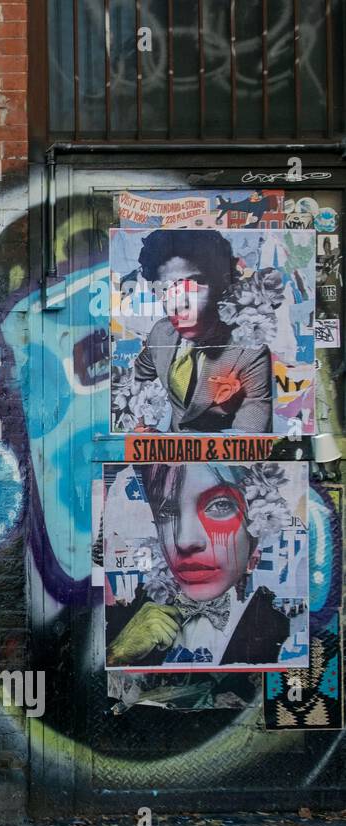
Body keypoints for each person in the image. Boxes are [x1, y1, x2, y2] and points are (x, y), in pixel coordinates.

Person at [105, 463, 291, 668]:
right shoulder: (133, 610)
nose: (184, 540)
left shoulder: (286, 627)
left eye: (220, 505)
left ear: (257, 523)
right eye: (166, 512)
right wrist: (117, 654)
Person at [127, 229, 272, 433]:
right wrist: (139, 424)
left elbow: (249, 440)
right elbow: (134, 379)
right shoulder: (161, 333)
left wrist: (167, 446)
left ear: (221, 284)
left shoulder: (250, 353)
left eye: (192, 285)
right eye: (166, 289)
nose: (179, 302)